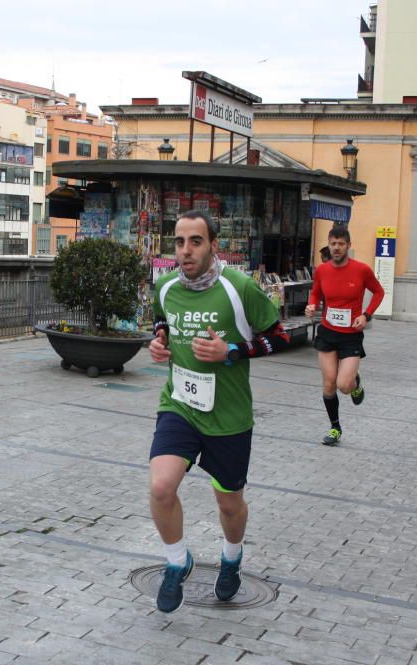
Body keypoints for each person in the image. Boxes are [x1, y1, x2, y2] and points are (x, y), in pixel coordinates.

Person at [148, 209, 293, 613]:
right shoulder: (165, 286)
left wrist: (232, 351)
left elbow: (280, 337)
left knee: (228, 503)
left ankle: (231, 558)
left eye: (195, 241)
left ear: (213, 245)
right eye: (179, 242)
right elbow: (163, 322)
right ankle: (177, 563)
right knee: (161, 488)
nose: (186, 250)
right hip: (179, 404)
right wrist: (158, 342)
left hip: (228, 415)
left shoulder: (239, 287)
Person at [304, 225, 385, 446]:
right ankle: (335, 428)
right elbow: (316, 293)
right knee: (329, 384)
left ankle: (355, 382)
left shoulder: (361, 270)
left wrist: (366, 315)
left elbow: (379, 291)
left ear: (348, 245)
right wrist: (311, 305)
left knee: (344, 385)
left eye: (341, 244)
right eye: (333, 244)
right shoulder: (322, 270)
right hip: (328, 332)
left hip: (351, 335)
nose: (336, 248)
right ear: (328, 246)